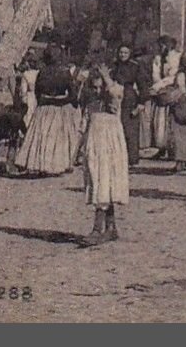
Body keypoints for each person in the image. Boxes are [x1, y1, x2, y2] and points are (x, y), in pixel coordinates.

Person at [75, 67, 128, 247]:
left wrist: (106, 77)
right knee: (99, 183)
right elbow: (82, 128)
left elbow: (116, 91)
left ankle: (97, 229)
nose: (98, 91)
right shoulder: (91, 106)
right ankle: (111, 227)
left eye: (101, 87)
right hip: (94, 150)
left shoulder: (114, 103)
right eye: (94, 88)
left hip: (110, 150)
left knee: (105, 184)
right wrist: (76, 150)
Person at [15, 44, 81, 175]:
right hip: (59, 109)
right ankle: (55, 166)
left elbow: (38, 93)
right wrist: (63, 101)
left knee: (43, 136)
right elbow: (73, 95)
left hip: (43, 109)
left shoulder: (42, 73)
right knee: (57, 138)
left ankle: (41, 164)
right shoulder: (65, 73)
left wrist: (46, 101)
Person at [144, 35, 182, 158]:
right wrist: (157, 86)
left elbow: (173, 76)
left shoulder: (176, 57)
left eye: (165, 45)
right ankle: (161, 147)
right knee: (159, 121)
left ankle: (172, 149)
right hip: (160, 93)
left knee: (171, 121)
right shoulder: (158, 58)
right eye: (161, 45)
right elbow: (155, 74)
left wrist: (160, 85)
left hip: (173, 92)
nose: (162, 48)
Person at [109, 43, 147, 167]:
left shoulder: (135, 66)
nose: (123, 55)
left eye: (125, 53)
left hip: (129, 98)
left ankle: (132, 158)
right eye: (121, 52)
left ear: (129, 54)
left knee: (130, 128)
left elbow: (143, 85)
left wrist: (141, 102)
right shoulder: (114, 66)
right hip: (115, 98)